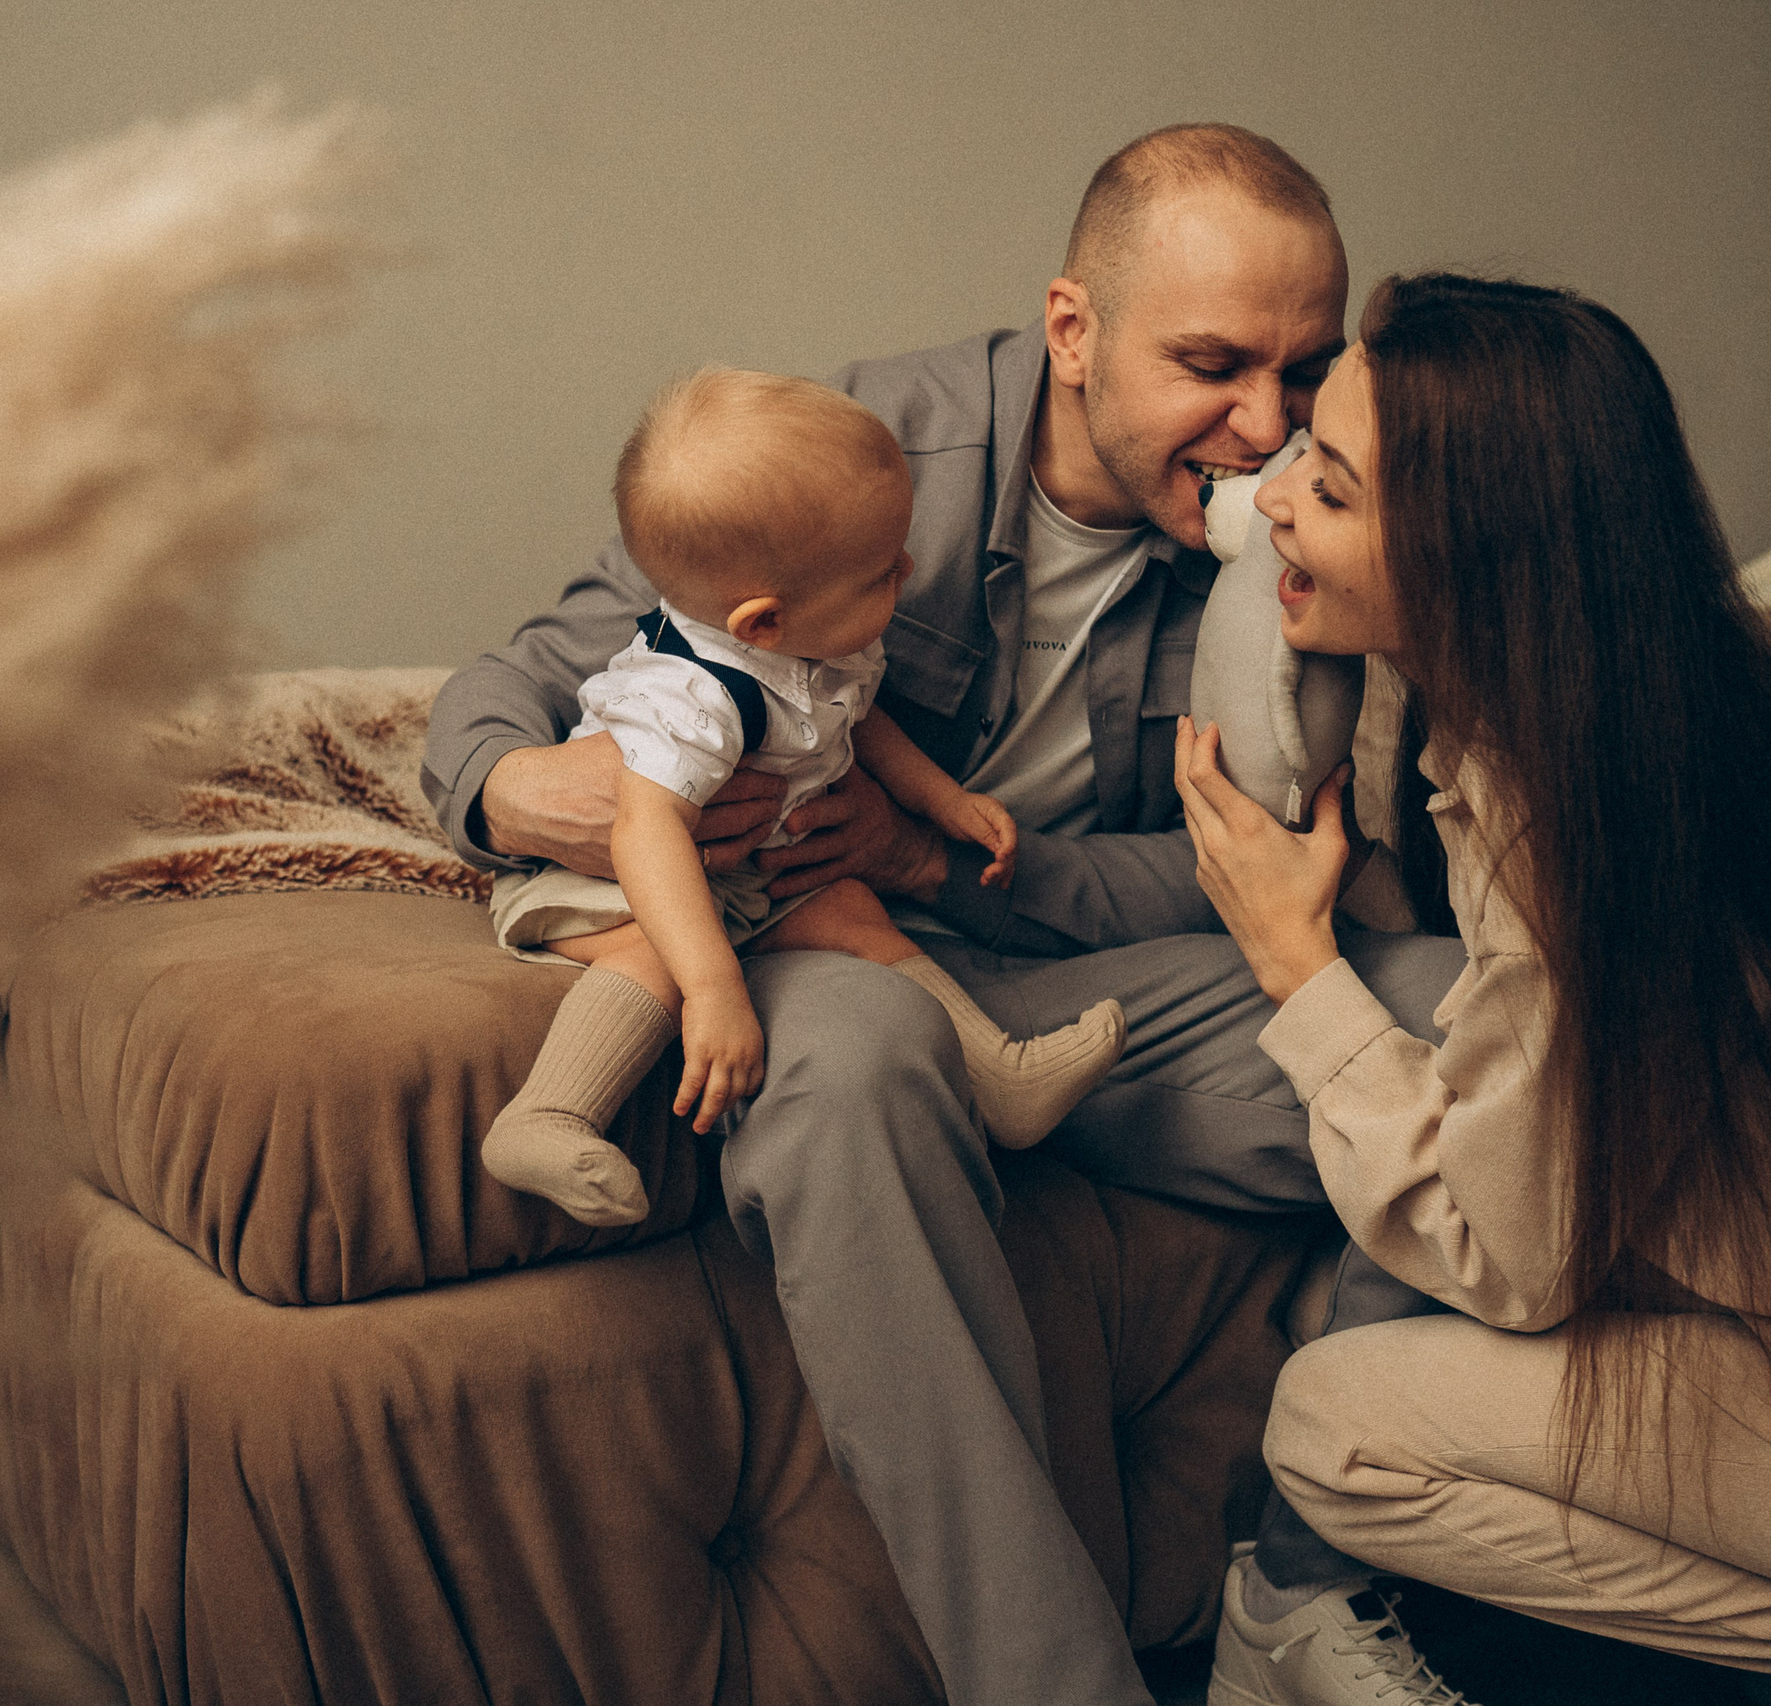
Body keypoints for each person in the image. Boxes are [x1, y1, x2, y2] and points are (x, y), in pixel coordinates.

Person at [424, 124, 1471, 1706]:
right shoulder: (859, 452)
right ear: (1072, 331)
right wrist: (549, 797)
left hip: (1066, 968)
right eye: (1212, 364)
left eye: (1305, 367)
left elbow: (1247, 867)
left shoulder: (1290, 540)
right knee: (845, 1068)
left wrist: (944, 865)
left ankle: (1301, 1593)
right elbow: (503, 696)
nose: (1267, 428)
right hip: (830, 954)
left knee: (1478, 1016)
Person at [1177, 272, 1771, 1705]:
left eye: (1325, 488)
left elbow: (1511, 1262)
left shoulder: (1572, 830)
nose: (1271, 502)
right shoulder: (1664, 702)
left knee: (1334, 1429)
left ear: (1463, 554)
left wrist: (1295, 963)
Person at [483, 368, 1124, 1227]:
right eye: (880, 573)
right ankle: (546, 1115)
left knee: (856, 910)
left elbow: (858, 721)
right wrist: (714, 988)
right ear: (761, 625)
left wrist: (940, 801)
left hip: (741, 873)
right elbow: (644, 834)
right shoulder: (695, 700)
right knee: (655, 959)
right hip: (611, 881)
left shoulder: (830, 637)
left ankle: (999, 1080)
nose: (908, 571)